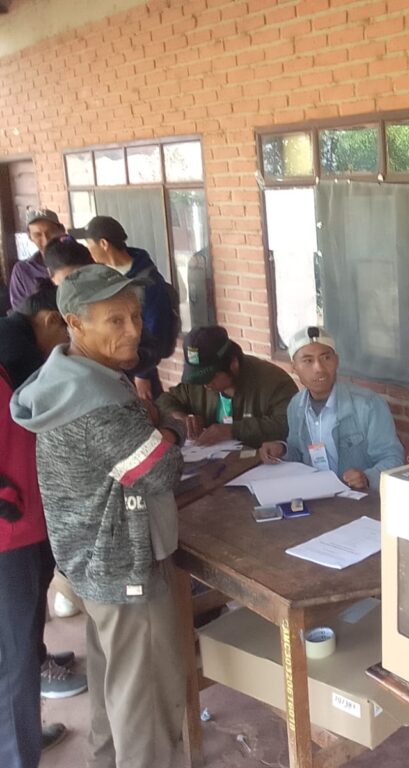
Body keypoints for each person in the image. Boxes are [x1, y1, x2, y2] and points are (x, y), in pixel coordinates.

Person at [11, 265, 187, 768]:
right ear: (74, 323)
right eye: (115, 320)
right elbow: (161, 469)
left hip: (89, 561)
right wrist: (170, 430)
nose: (133, 330)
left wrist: (153, 429)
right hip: (124, 568)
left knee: (117, 686)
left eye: (135, 316)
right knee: (147, 704)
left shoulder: (64, 376)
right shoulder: (97, 405)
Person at [0, 284, 86, 767]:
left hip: (26, 527)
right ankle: (17, 754)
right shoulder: (15, 353)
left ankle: (22, 738)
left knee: (23, 647)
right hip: (7, 536)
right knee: (12, 660)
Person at [258, 326, 404, 491]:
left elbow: (393, 458)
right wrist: (282, 449)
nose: (319, 368)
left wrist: (367, 478)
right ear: (294, 367)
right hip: (313, 492)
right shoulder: (296, 405)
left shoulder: (368, 404)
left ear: (337, 361)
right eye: (308, 361)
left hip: (356, 496)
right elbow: (298, 453)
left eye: (326, 358)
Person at [69, 215, 177, 401]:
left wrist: (143, 374)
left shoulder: (148, 282)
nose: (88, 250)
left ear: (103, 244)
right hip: (113, 366)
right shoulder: (103, 276)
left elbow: (156, 332)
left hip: (138, 367)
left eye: (89, 244)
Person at [157, 325, 297, 448]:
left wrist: (233, 430)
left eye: (211, 377)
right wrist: (180, 417)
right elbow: (164, 401)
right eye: (200, 379)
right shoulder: (197, 385)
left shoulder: (274, 382)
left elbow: (287, 423)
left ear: (233, 364)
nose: (206, 385)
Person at [8, 208, 65, 308]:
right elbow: (19, 310)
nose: (45, 239)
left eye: (50, 232)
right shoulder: (22, 270)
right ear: (30, 237)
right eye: (37, 235)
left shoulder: (79, 260)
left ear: (61, 230)